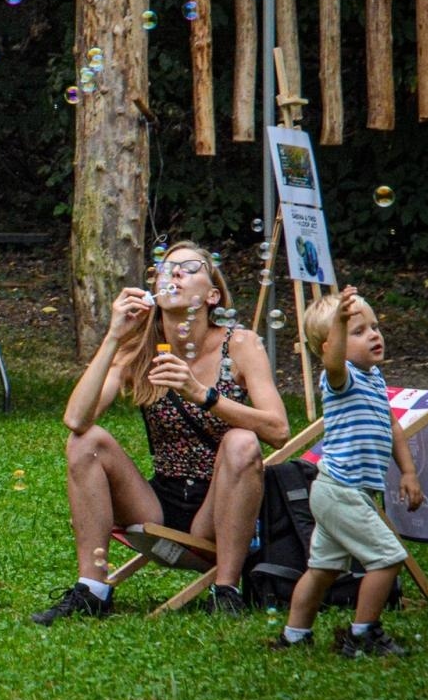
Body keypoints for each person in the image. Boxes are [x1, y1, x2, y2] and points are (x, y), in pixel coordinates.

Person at [32, 241, 290, 624]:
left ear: (212, 295)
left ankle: (226, 590)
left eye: (189, 267)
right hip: (158, 504)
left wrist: (202, 394)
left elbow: (279, 430)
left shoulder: (240, 344)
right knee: (86, 441)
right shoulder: (141, 347)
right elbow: (76, 418)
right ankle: (93, 589)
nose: (175, 274)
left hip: (220, 505)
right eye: (167, 268)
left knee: (241, 440)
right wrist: (114, 336)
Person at [269, 285, 422, 656]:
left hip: (341, 491)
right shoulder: (341, 378)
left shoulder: (374, 379)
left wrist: (408, 472)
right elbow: (334, 363)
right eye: (358, 331)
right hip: (341, 490)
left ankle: (294, 636)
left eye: (374, 326)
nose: (373, 334)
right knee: (387, 559)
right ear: (330, 345)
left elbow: (394, 427)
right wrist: (338, 322)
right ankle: (362, 634)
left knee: (322, 569)